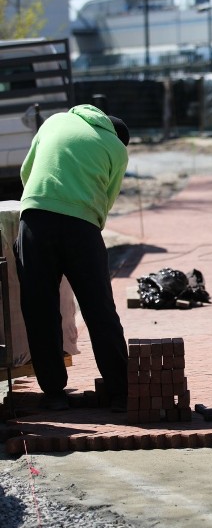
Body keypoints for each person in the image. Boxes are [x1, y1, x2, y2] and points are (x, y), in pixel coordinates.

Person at [14, 104, 131, 412]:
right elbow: (107, 198)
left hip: (36, 219)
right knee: (99, 309)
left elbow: (27, 171)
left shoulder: (55, 121)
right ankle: (121, 394)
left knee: (40, 308)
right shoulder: (117, 149)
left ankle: (54, 394)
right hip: (82, 227)